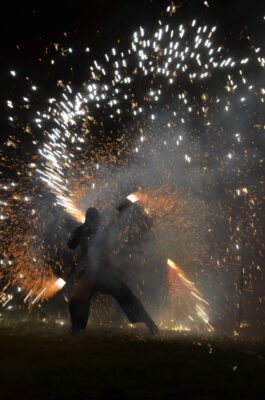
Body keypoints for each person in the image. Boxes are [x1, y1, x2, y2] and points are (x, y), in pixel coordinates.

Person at [67, 206, 158, 335]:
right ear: (87, 220)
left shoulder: (102, 231)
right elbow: (71, 244)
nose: (94, 221)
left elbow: (114, 219)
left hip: (104, 273)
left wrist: (125, 204)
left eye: (95, 219)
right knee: (78, 299)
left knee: (126, 296)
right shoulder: (82, 231)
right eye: (91, 219)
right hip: (89, 273)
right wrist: (80, 233)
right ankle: (77, 328)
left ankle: (150, 325)